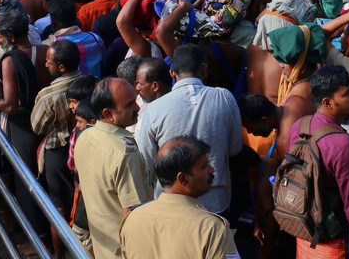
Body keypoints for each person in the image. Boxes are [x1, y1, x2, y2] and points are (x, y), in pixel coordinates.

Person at [135, 43, 242, 216]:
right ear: (204, 69)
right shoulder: (224, 98)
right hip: (215, 202)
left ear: (172, 73)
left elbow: (145, 163)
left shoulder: (154, 109)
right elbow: (234, 148)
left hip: (170, 206)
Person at [120, 135, 241, 259]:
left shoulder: (133, 218)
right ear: (183, 179)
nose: (211, 170)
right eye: (204, 166)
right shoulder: (212, 228)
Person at [73, 78, 152, 259]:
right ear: (108, 113)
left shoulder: (85, 136)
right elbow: (134, 215)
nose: (138, 108)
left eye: (136, 100)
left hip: (103, 245)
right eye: (129, 104)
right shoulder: (124, 153)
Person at [289, 65, 349, 258]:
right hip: (331, 240)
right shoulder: (342, 144)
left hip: (303, 226)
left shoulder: (300, 125)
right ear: (328, 103)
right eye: (347, 93)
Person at [30, 39, 81, 259]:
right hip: (82, 147)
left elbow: (36, 126)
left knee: (59, 207)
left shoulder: (48, 95)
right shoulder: (91, 81)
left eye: (48, 62)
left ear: (61, 67)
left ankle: (59, 255)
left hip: (58, 153)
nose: (45, 65)